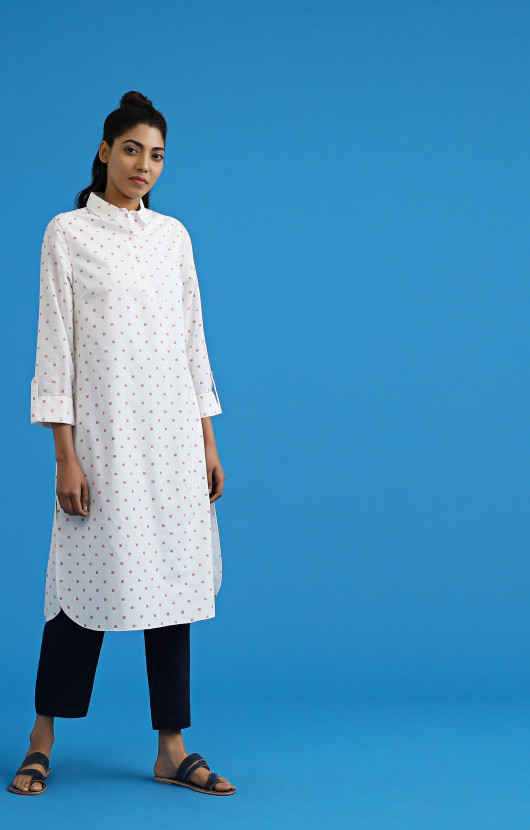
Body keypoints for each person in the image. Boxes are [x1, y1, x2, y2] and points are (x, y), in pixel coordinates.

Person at [8, 90, 235, 797]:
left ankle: (172, 748)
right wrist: (65, 454)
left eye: (157, 155)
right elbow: (55, 347)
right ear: (105, 151)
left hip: (172, 439)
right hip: (104, 441)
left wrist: (207, 440)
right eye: (133, 149)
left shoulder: (173, 237)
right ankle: (41, 739)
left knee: (171, 590)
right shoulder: (68, 233)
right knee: (81, 589)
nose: (145, 165)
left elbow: (192, 342)